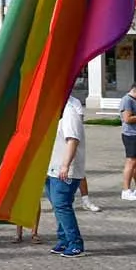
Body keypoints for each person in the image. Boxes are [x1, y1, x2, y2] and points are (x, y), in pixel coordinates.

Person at [46, 93, 87, 257]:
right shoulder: (57, 111)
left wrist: (65, 165)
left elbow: (73, 140)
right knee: (57, 206)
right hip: (52, 167)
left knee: (62, 205)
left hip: (65, 170)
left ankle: (75, 243)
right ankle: (63, 239)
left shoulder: (69, 112)